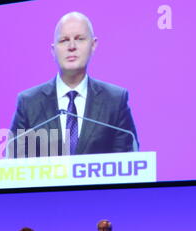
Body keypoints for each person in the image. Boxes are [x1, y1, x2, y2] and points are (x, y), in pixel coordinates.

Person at [9, 12, 138, 158]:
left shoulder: (115, 100)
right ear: (53, 50)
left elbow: (127, 160)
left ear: (93, 44)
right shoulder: (29, 102)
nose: (71, 46)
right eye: (64, 40)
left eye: (79, 39)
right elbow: (14, 163)